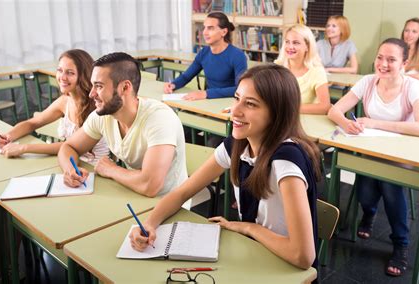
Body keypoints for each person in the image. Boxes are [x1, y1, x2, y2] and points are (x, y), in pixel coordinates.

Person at [130, 64, 320, 270]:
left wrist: (248, 228)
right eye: (237, 98)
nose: (235, 111)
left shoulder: (286, 161)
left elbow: (303, 256)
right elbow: (183, 192)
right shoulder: (237, 145)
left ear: (277, 113)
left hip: (284, 267)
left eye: (251, 104)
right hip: (252, 253)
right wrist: (150, 223)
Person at [327, 38, 419, 277]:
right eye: (380, 57)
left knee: (390, 189)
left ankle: (400, 244)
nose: (383, 64)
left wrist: (374, 123)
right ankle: (370, 212)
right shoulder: (367, 82)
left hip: (399, 154)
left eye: (392, 59)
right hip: (369, 149)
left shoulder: (414, 87)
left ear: (404, 63)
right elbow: (334, 110)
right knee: (364, 191)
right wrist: (347, 124)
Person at [58, 52, 187, 197]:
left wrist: (110, 170)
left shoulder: (160, 119)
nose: (91, 94)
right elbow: (68, 147)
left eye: (99, 86)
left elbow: (150, 185)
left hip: (168, 204)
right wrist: (70, 170)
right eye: (93, 86)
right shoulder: (103, 115)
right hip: (131, 193)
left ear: (125, 88)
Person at [0, 49, 109, 165]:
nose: (62, 77)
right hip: (69, 163)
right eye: (60, 70)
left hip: (94, 168)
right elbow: (33, 123)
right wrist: (9, 136)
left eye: (70, 73)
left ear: (83, 75)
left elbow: (71, 145)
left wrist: (23, 148)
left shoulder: (96, 106)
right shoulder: (64, 101)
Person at [163, 12, 247, 100]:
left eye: (210, 28)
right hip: (208, 101)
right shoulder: (204, 52)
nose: (205, 32)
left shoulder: (238, 56)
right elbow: (186, 76)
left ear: (224, 32)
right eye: (204, 28)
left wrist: (206, 93)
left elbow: (240, 89)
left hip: (229, 103)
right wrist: (173, 84)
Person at [275, 24, 330, 114]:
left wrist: (288, 109)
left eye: (296, 43)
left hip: (305, 122)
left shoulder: (316, 71)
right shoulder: (277, 67)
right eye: (287, 42)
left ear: (307, 47)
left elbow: (325, 107)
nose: (290, 47)